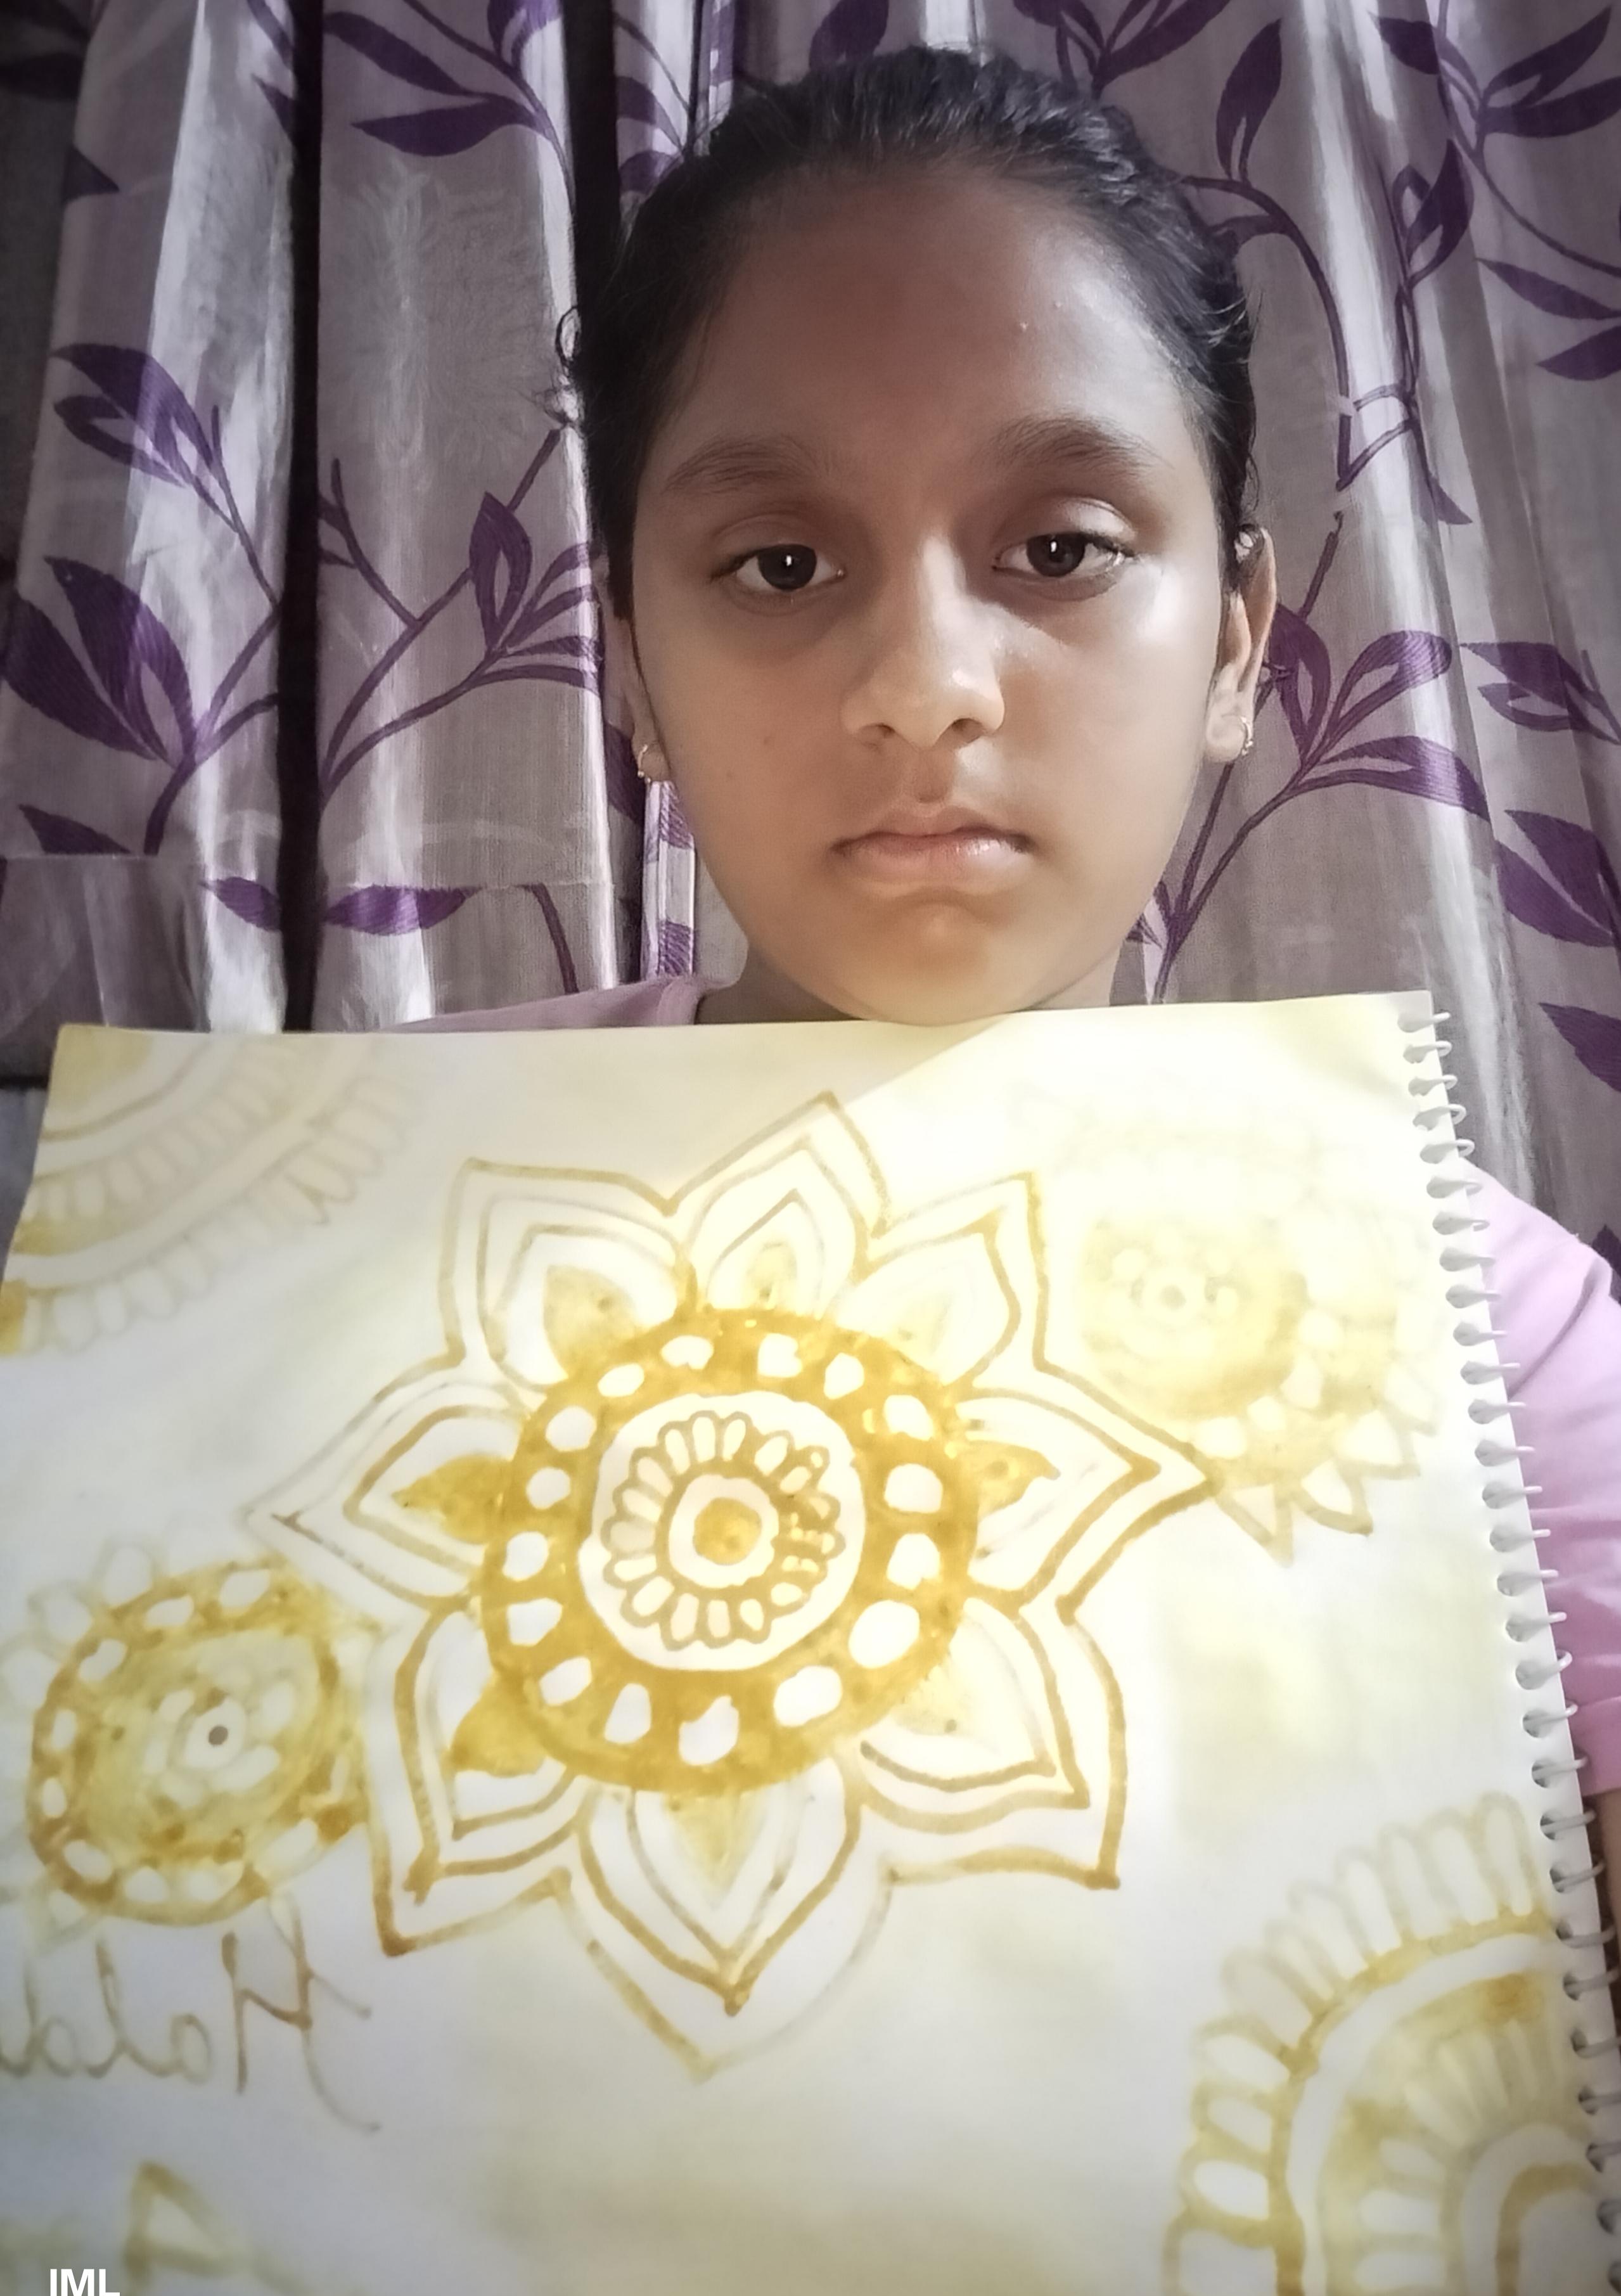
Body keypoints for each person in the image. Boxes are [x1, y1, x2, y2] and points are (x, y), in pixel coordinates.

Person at [418, 46, 1621, 1932]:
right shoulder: (368, 1197)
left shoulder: (1497, 1344)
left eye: (1060, 548)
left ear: (1237, 645)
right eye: (781, 561)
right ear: (633, 666)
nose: (925, 684)